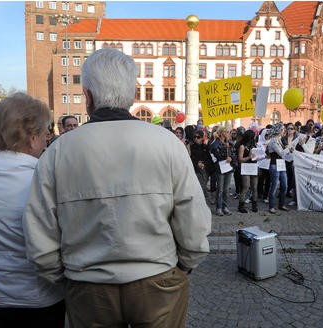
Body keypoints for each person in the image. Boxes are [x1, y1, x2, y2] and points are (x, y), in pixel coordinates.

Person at [22, 48, 211, 328]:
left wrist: (65, 275)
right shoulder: (168, 143)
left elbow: (39, 229)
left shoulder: (58, 151)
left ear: (87, 95)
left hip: (88, 284)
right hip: (158, 280)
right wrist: (183, 266)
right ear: (132, 93)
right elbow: (193, 217)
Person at [0, 93, 65, 328]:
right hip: (43, 295)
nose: (48, 139)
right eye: (45, 132)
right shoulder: (45, 181)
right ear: (32, 137)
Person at [210, 126, 235, 216]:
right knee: (220, 189)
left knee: (226, 189)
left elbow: (233, 153)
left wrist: (231, 157)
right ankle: (219, 208)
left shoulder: (230, 142)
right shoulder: (215, 142)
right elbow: (215, 155)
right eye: (227, 132)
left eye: (229, 132)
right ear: (222, 133)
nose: (229, 133)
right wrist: (225, 153)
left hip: (228, 167)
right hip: (220, 168)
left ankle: (225, 207)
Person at [266, 122, 290, 214]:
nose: (284, 131)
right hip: (274, 165)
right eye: (283, 129)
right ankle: (271, 206)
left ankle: (281, 204)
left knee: (284, 185)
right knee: (274, 185)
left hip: (281, 164)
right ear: (279, 130)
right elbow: (281, 153)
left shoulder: (279, 140)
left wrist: (288, 149)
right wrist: (288, 148)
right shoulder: (273, 141)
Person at [237, 129, 259, 213]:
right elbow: (240, 159)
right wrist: (249, 157)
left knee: (254, 187)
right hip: (245, 167)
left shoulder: (254, 145)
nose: (255, 137)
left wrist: (258, 157)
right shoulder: (242, 146)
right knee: (246, 187)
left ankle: (254, 205)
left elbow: (256, 156)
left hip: (253, 166)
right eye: (254, 136)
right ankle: (241, 205)